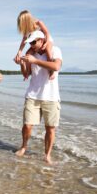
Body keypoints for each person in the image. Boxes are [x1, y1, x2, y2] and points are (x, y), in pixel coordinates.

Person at [15, 30, 62, 164]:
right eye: (30, 42)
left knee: (50, 128)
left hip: (51, 97)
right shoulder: (31, 53)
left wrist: (35, 60)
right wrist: (22, 64)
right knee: (27, 125)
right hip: (33, 95)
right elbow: (26, 74)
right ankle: (24, 146)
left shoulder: (55, 50)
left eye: (34, 42)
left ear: (42, 40)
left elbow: (56, 66)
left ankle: (47, 155)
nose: (32, 45)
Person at [14, 10, 55, 80]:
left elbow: (47, 33)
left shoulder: (38, 23)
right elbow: (23, 42)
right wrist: (19, 51)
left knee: (48, 50)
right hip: (35, 43)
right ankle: (28, 72)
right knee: (27, 54)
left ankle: (51, 72)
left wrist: (46, 42)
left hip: (46, 40)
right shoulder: (26, 31)